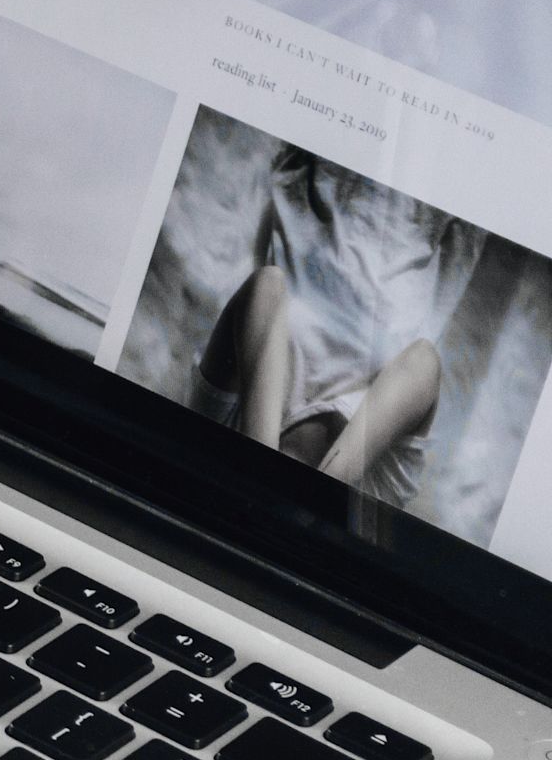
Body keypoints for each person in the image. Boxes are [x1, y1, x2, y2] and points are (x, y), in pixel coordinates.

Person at [192, 144, 477, 501]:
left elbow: (265, 286)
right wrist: (319, 497)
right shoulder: (371, 489)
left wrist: (259, 477)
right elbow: (423, 364)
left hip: (315, 217)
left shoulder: (217, 438)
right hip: (412, 238)